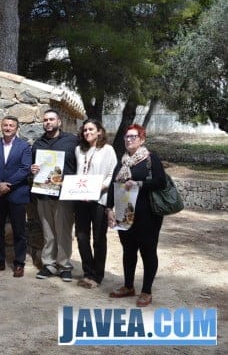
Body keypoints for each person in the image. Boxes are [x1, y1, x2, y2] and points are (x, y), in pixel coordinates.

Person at [106, 124, 166, 307]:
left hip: (148, 215)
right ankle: (128, 286)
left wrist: (139, 183)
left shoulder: (150, 158)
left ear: (142, 140)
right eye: (126, 136)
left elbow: (160, 181)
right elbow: (113, 186)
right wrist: (109, 209)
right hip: (125, 213)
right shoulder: (122, 161)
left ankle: (146, 291)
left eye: (133, 137)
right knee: (128, 251)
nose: (128, 139)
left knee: (148, 252)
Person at [31, 109, 78, 282]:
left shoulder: (72, 141)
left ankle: (65, 265)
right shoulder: (38, 144)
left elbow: (80, 164)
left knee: (64, 231)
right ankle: (49, 264)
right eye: (45, 120)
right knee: (48, 232)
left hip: (64, 195)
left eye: (51, 119)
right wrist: (33, 169)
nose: (48, 122)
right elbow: (32, 168)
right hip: (43, 195)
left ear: (59, 122)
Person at [0, 116, 32, 277]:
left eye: (11, 125)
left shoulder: (24, 146)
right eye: (5, 125)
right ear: (1, 126)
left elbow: (25, 169)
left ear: (16, 128)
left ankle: (19, 264)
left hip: (17, 194)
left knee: (19, 231)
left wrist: (7, 185)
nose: (8, 128)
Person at [74, 119, 117, 288]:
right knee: (81, 236)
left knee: (99, 238)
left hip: (99, 199)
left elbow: (112, 174)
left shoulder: (108, 150)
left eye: (91, 129)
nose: (87, 133)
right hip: (80, 199)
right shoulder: (79, 150)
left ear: (99, 131)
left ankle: (97, 275)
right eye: (85, 130)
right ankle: (87, 271)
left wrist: (99, 188)